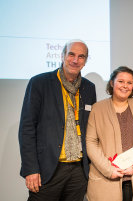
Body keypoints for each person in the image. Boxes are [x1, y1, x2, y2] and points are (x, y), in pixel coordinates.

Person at [18, 39, 96, 201]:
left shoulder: (89, 88)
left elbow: (90, 128)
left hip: (78, 171)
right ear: (62, 56)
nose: (75, 60)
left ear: (86, 61)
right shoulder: (40, 83)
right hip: (48, 169)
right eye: (71, 54)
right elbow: (27, 128)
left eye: (81, 56)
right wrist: (31, 169)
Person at [86, 66, 133, 201]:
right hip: (107, 178)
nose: (125, 86)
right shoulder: (97, 109)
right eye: (121, 81)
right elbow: (91, 142)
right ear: (112, 83)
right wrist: (108, 169)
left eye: (129, 83)